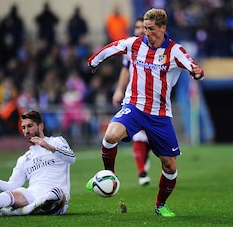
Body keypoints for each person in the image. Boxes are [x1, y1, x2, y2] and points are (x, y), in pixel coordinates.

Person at [86, 8, 204, 217]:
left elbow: (191, 64)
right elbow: (113, 47)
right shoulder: (135, 44)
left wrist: (196, 71)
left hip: (160, 114)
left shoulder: (174, 50)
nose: (146, 33)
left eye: (151, 29)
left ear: (162, 28)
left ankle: (160, 205)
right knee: (110, 135)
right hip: (134, 106)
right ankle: (109, 176)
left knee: (169, 166)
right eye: (145, 28)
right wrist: (94, 61)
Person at [0, 109, 76, 217]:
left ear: (41, 126)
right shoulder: (24, 159)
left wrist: (49, 147)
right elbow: (11, 186)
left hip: (57, 197)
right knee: (16, 193)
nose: (26, 131)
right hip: (33, 195)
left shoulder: (56, 141)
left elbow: (71, 158)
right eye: (23, 127)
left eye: (30, 126)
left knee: (55, 193)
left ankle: (15, 212)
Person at [112, 16, 151, 186]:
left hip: (155, 99)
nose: (140, 30)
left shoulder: (158, 47)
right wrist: (119, 89)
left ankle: (146, 155)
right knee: (139, 134)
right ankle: (141, 172)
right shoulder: (131, 48)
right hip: (135, 98)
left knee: (150, 135)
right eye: (137, 27)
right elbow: (125, 69)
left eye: (143, 27)